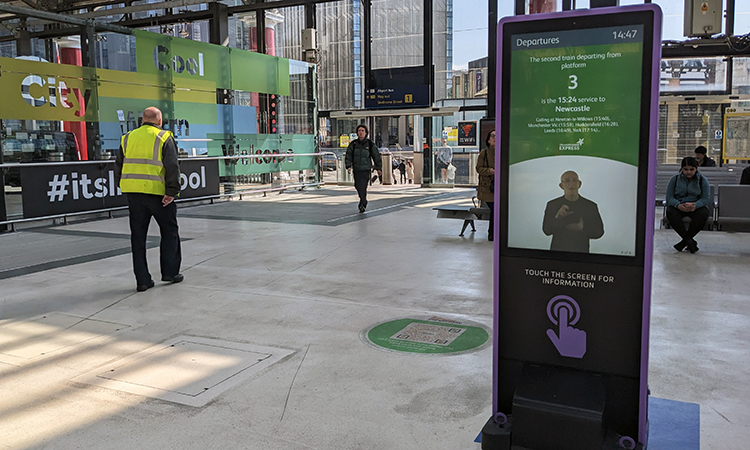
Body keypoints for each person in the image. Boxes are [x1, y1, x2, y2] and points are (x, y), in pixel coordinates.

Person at [115, 106, 183, 292]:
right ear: (159, 121)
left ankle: (143, 280)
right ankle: (170, 272)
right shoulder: (164, 137)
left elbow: (118, 166)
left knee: (138, 237)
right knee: (169, 231)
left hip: (134, 195)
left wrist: (124, 186)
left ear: (142, 120)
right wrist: (172, 191)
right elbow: (172, 166)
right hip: (160, 195)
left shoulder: (127, 138)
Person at [542, 170, 604, 253]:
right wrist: (558, 218)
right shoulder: (552, 205)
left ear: (579, 184)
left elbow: (599, 231)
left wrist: (582, 228)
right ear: (561, 186)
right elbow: (547, 230)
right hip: (557, 256)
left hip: (581, 256)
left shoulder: (590, 206)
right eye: (567, 181)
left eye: (574, 180)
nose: (571, 184)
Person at [665, 156, 711, 253]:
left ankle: (684, 242)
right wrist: (678, 205)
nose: (688, 172)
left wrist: (695, 205)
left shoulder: (703, 180)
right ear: (681, 169)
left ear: (696, 169)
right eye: (685, 169)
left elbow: (705, 199)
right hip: (679, 206)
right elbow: (669, 198)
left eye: (691, 169)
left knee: (704, 213)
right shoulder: (675, 179)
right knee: (670, 211)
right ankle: (689, 241)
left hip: (695, 207)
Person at [346, 124, 382, 213]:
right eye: (359, 131)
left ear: (366, 133)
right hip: (357, 169)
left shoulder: (370, 144)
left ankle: (362, 203)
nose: (360, 132)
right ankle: (363, 200)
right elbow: (348, 155)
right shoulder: (353, 144)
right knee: (357, 186)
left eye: (362, 131)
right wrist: (348, 166)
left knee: (363, 186)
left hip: (366, 169)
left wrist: (378, 168)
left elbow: (376, 156)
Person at [476, 130, 496, 241]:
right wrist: (490, 171)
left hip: (500, 187)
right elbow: (478, 169)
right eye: (493, 136)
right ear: (488, 140)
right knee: (494, 209)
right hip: (488, 188)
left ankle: (494, 233)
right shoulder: (484, 153)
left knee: (496, 209)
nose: (495, 138)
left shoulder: (504, 151)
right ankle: (492, 233)